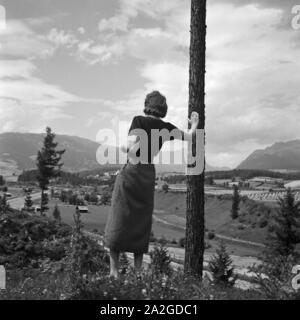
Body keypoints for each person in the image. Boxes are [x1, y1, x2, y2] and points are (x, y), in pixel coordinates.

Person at [104, 90, 199, 278]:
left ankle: (114, 272)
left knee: (118, 216)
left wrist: (126, 148)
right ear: (162, 109)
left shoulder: (138, 121)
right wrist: (194, 123)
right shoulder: (166, 127)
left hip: (131, 172)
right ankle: (138, 273)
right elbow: (189, 136)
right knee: (141, 221)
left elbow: (128, 146)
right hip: (147, 175)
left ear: (147, 104)